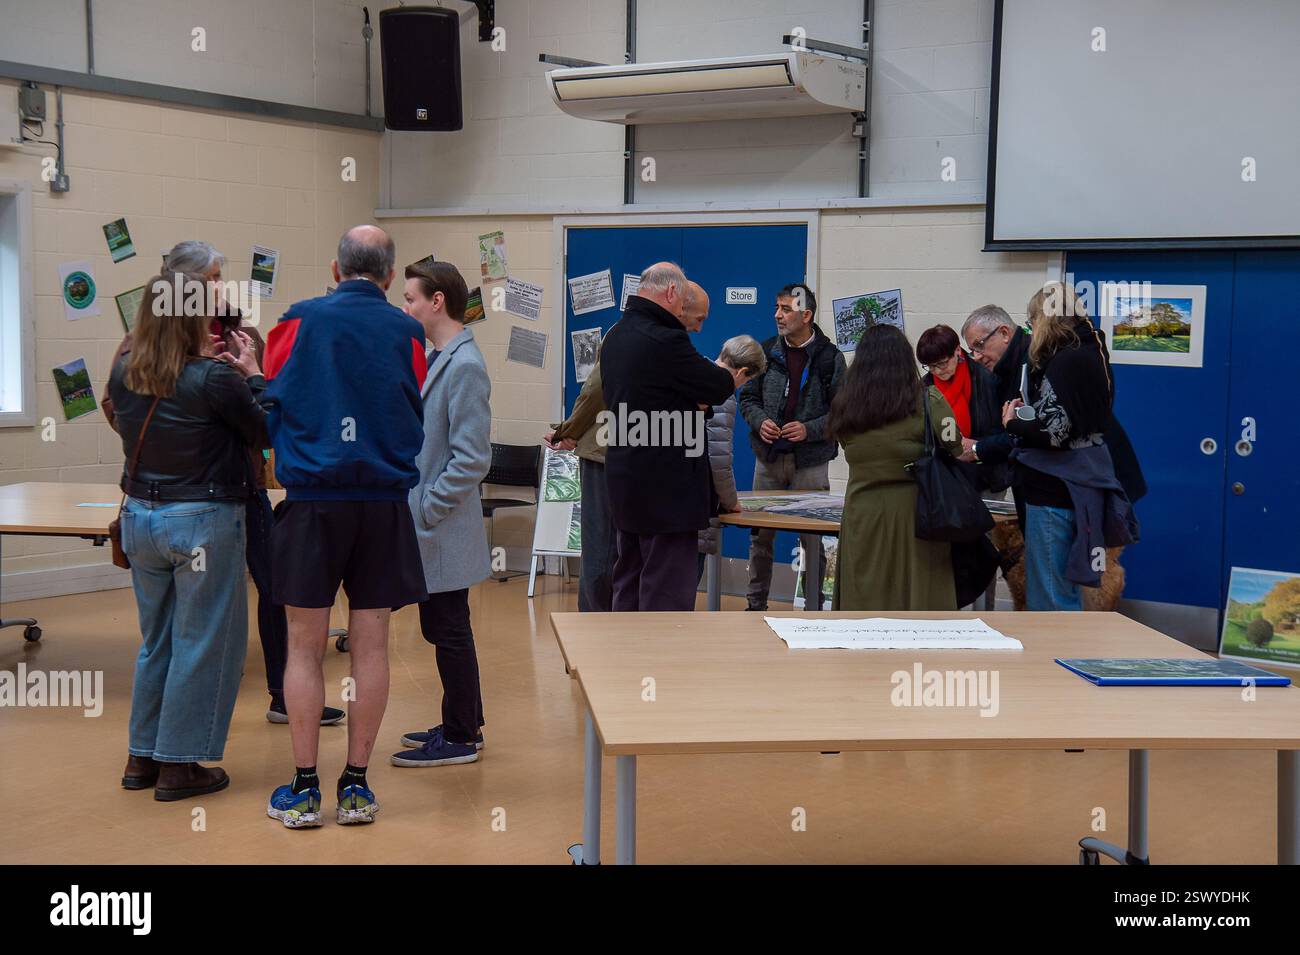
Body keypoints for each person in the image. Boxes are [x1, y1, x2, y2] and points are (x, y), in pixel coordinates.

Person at [103, 241, 342, 727]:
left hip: (233, 488)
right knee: (195, 638)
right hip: (201, 502)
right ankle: (178, 754)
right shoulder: (142, 345)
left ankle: (281, 693)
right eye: (211, 278)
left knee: (271, 587)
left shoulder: (238, 334)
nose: (219, 287)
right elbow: (118, 408)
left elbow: (262, 407)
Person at [263, 225, 429, 829]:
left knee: (304, 647)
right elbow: (414, 399)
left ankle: (304, 789)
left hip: (313, 502)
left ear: (336, 270)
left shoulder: (296, 323)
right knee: (372, 647)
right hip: (383, 505)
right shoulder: (411, 332)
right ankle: (357, 787)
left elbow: (270, 394)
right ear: (388, 277)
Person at [109, 269, 269, 800]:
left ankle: (142, 757)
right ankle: (180, 765)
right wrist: (254, 374)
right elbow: (266, 430)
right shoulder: (214, 377)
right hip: (201, 521)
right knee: (202, 642)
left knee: (157, 642)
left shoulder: (124, 372)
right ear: (189, 317)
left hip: (141, 519)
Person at [545, 280, 714, 611]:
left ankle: (621, 631)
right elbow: (595, 390)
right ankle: (594, 631)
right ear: (676, 303)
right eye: (695, 317)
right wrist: (570, 431)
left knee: (625, 553)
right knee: (603, 552)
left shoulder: (662, 341)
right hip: (604, 453)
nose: (696, 327)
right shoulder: (629, 335)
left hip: (630, 456)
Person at [390, 260, 492, 767]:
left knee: (449, 627)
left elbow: (472, 457)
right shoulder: (437, 357)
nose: (405, 307)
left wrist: (428, 507)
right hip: (432, 524)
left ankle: (459, 738)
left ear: (437, 302)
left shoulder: (465, 365)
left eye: (411, 298)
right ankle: (463, 718)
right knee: (445, 625)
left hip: (443, 523)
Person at [600, 263, 740, 611]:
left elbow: (649, 399)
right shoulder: (665, 338)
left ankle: (624, 663)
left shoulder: (615, 334)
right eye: (684, 308)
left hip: (625, 483)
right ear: (672, 293)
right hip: (667, 493)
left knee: (628, 582)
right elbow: (718, 384)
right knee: (665, 597)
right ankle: (657, 665)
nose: (685, 316)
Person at [1002, 284, 1139, 611]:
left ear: (1043, 319)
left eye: (1031, 321)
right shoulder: (1094, 352)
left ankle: (1053, 659)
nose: (1030, 329)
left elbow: (1054, 431)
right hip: (1082, 482)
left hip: (1053, 488)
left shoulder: (1065, 360)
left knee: (1051, 595)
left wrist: (1013, 421)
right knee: (1065, 589)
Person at [828, 324, 969, 611]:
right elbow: (955, 444)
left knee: (865, 596)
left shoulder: (843, 405)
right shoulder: (930, 401)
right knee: (917, 597)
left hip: (862, 513)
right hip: (917, 515)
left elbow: (845, 446)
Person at [738, 283, 846, 610]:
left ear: (807, 314)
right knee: (760, 537)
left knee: (811, 539)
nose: (777, 315)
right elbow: (747, 397)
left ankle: (814, 604)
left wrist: (809, 429)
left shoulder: (831, 358)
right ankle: (755, 604)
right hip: (767, 460)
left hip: (811, 463)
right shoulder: (765, 351)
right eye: (777, 308)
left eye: (786, 309)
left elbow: (843, 413)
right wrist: (759, 421)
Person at [698, 335, 767, 582]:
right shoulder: (722, 393)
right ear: (743, 372)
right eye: (747, 380)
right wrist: (730, 500)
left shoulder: (697, 371)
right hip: (698, 497)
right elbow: (719, 458)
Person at [917, 323, 1006, 491]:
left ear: (957, 350)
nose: (937, 371)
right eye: (930, 366)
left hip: (986, 472)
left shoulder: (986, 379)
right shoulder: (925, 388)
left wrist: (976, 445)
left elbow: (1002, 428)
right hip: (946, 477)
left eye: (942, 363)